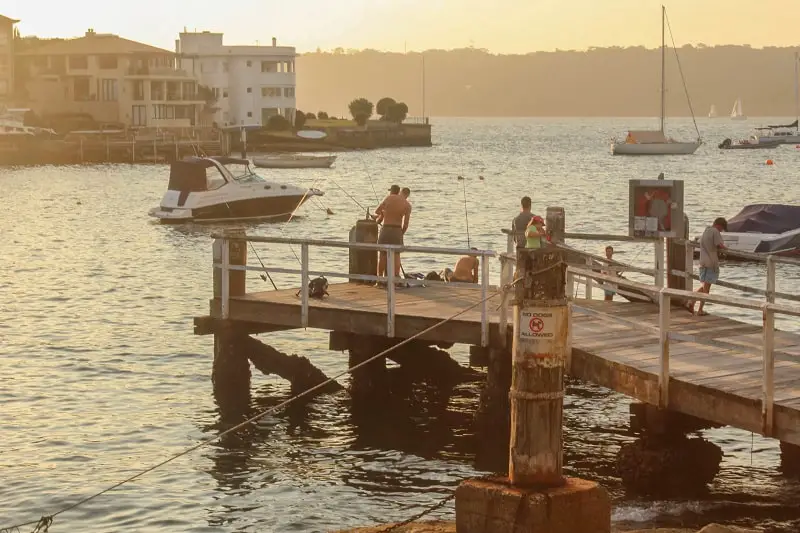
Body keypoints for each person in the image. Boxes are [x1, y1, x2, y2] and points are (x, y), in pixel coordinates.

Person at [374, 185, 412, 286]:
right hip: (397, 230)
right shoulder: (407, 205)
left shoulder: (389, 198)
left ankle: (380, 279)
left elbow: (377, 211)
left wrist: (382, 214)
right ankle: (395, 278)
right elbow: (406, 224)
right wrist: (401, 233)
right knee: (396, 255)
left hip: (386, 228)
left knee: (382, 254)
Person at [689, 217, 727, 316]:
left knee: (704, 286)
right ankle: (700, 310)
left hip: (702, 262)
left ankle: (692, 302)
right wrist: (726, 248)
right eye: (722, 229)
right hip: (711, 263)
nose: (721, 231)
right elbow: (720, 245)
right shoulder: (715, 231)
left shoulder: (706, 231)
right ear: (719, 225)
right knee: (707, 288)